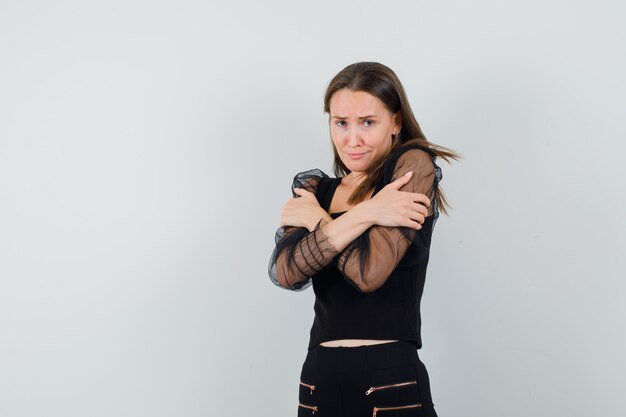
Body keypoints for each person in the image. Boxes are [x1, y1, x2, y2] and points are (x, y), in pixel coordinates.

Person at [267, 62, 462, 417]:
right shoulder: (315, 189)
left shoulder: (409, 169)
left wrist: (317, 221)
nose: (352, 139)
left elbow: (367, 273)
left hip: (388, 374)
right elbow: (285, 273)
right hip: (319, 376)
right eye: (341, 123)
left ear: (396, 122)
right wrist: (369, 212)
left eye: (367, 122)